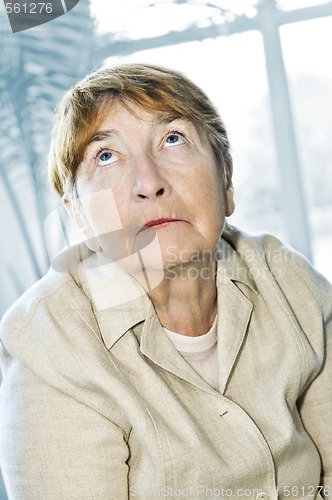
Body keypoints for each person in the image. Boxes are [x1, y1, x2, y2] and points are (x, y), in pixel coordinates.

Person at [0, 63, 331, 500]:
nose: (149, 183)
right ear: (79, 216)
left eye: (172, 139)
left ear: (226, 178)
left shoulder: (287, 278)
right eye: (106, 156)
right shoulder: (48, 341)